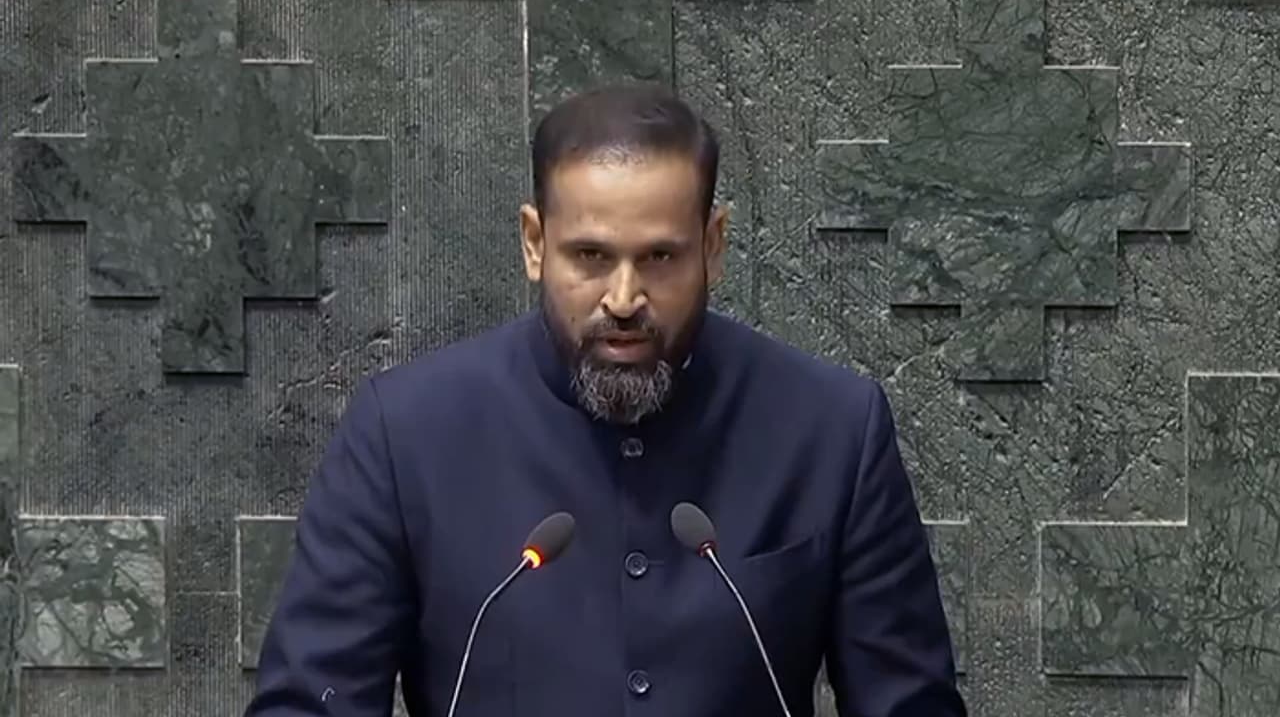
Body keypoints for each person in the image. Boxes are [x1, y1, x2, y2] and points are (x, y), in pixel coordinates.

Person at [244, 82, 966, 717]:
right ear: (535, 243)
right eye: (591, 257)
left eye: (660, 257)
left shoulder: (833, 429)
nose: (623, 298)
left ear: (713, 246)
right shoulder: (404, 435)